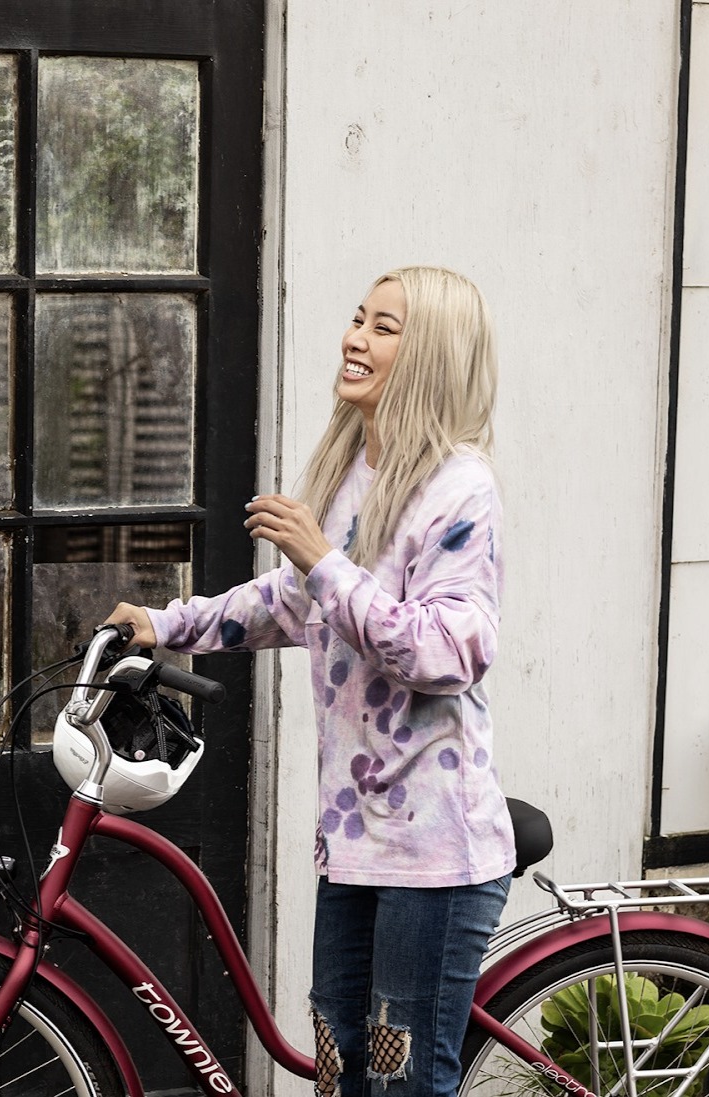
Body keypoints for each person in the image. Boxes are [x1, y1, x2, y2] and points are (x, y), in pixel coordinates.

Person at [106, 265, 515, 1096]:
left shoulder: (460, 488)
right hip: (355, 839)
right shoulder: (351, 470)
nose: (355, 337)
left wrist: (323, 561)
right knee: (338, 1071)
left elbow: (444, 652)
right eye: (357, 317)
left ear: (432, 353)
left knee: (403, 1084)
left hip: (434, 850)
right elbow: (290, 603)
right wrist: (168, 624)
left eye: (385, 327)